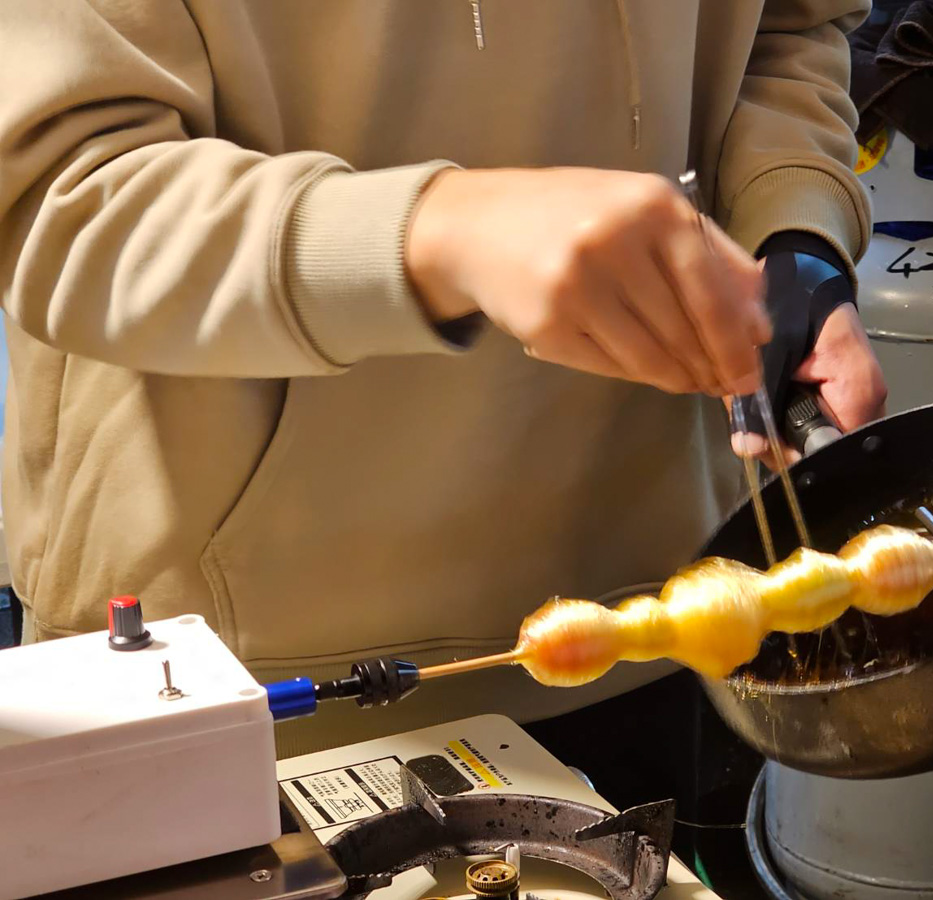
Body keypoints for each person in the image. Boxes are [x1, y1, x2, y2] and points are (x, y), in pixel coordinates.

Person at [0, 1, 884, 756]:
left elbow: (789, 30)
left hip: (669, 610)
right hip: (239, 679)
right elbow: (60, 194)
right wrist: (440, 231)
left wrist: (793, 227)